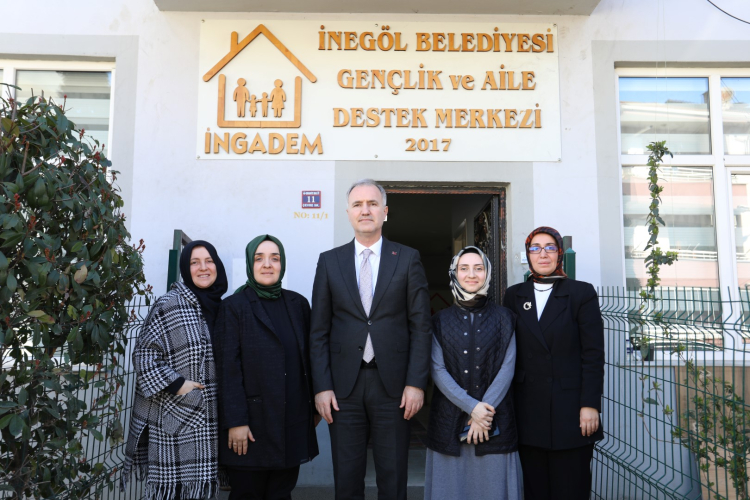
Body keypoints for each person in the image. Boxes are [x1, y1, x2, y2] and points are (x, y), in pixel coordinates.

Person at [310, 179, 432, 500]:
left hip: (394, 388)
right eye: (358, 204)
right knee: (347, 480)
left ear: (385, 212)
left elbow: (421, 326)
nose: (365, 210)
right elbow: (318, 330)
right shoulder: (329, 261)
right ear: (348, 213)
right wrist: (321, 387)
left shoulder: (407, 258)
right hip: (342, 389)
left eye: (373, 204)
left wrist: (416, 383)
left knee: (393, 479)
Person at [502, 227, 605, 500]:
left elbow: (593, 354)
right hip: (528, 409)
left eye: (549, 247)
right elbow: (507, 352)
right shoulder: (514, 295)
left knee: (570, 489)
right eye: (535, 248)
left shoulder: (581, 293)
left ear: (559, 253)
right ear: (528, 255)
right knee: (534, 491)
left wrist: (590, 404)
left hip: (570, 411)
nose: (543, 254)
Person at [214, 235, 319, 500]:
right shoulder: (233, 307)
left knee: (281, 493)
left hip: (292, 421)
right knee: (247, 493)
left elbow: (310, 359)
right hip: (250, 427)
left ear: (282, 264)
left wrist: (313, 408)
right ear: (250, 264)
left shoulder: (298, 304)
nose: (267, 264)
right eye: (259, 258)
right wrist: (236, 421)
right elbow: (227, 370)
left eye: (275, 258)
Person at [122, 240, 228, 500]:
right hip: (177, 416)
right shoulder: (169, 304)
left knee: (203, 490)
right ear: (184, 268)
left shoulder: (223, 306)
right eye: (194, 262)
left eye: (209, 261)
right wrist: (177, 384)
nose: (203, 268)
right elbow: (144, 354)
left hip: (214, 417)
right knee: (177, 491)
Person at [425, 246, 522, 500]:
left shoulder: (506, 318)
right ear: (454, 273)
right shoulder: (438, 321)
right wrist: (472, 407)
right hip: (448, 421)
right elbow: (437, 370)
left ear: (487, 273)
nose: (471, 274)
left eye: (478, 268)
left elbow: (507, 368)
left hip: (494, 420)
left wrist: (483, 413)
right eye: (464, 268)